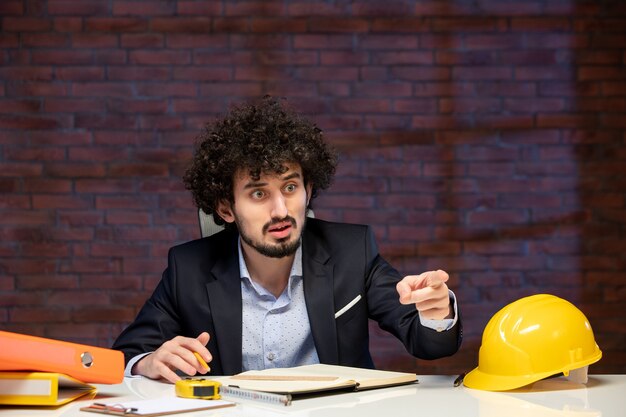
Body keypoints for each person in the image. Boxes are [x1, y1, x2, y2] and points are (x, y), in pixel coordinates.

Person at [112, 96, 462, 383]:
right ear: (226, 208)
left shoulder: (352, 251)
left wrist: (436, 311)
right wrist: (148, 362)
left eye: (290, 188)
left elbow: (429, 343)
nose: (281, 210)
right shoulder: (187, 268)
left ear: (309, 190)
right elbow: (126, 355)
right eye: (259, 194)